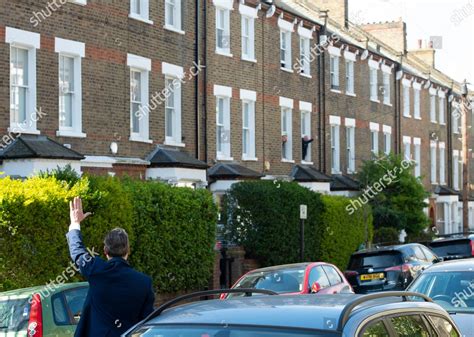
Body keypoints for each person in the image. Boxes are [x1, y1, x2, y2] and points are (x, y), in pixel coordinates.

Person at [66, 197, 155, 337]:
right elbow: (147, 323)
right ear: (128, 250)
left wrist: (75, 223)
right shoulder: (144, 282)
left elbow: (77, 251)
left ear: (105, 251)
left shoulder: (96, 270)